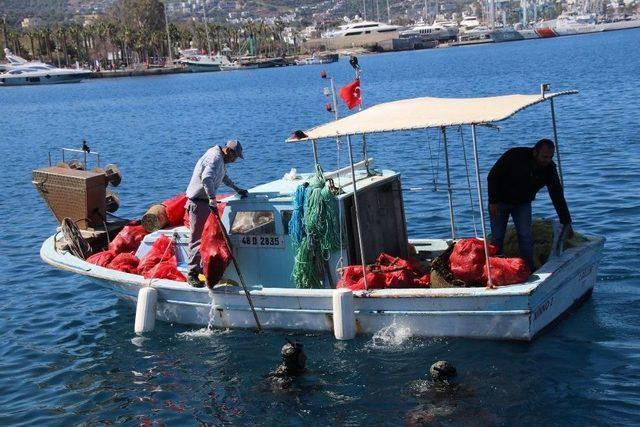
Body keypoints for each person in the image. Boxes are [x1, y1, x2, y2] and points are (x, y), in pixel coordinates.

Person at [487, 139, 573, 271]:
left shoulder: (549, 169)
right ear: (535, 152)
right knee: (498, 236)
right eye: (544, 157)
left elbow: (557, 195)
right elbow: (492, 176)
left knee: (525, 235)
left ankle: (527, 268)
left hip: (522, 203)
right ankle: (495, 268)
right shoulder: (515, 155)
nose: (547, 160)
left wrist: (566, 221)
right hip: (500, 201)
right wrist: (493, 201)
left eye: (550, 157)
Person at [185, 140, 248, 288]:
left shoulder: (220, 160)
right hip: (198, 202)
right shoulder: (214, 157)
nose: (234, 161)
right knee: (198, 239)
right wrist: (212, 199)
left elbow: (223, 177)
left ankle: (201, 268)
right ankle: (192, 273)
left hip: (204, 202)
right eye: (235, 157)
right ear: (229, 151)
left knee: (206, 237)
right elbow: (206, 178)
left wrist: (237, 189)